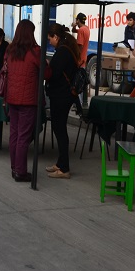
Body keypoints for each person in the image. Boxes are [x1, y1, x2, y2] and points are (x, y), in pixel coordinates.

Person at [4, 20, 42, 182]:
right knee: (23, 137)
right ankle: (20, 171)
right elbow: (46, 74)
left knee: (14, 134)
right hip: (28, 100)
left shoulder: (10, 50)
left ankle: (14, 167)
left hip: (12, 98)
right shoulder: (35, 52)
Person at [45, 23, 79, 179]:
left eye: (50, 38)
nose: (49, 42)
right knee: (59, 129)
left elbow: (54, 74)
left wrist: (47, 66)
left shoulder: (62, 52)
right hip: (64, 95)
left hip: (61, 96)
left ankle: (64, 168)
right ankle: (60, 163)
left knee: (60, 129)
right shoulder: (66, 49)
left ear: (56, 37)